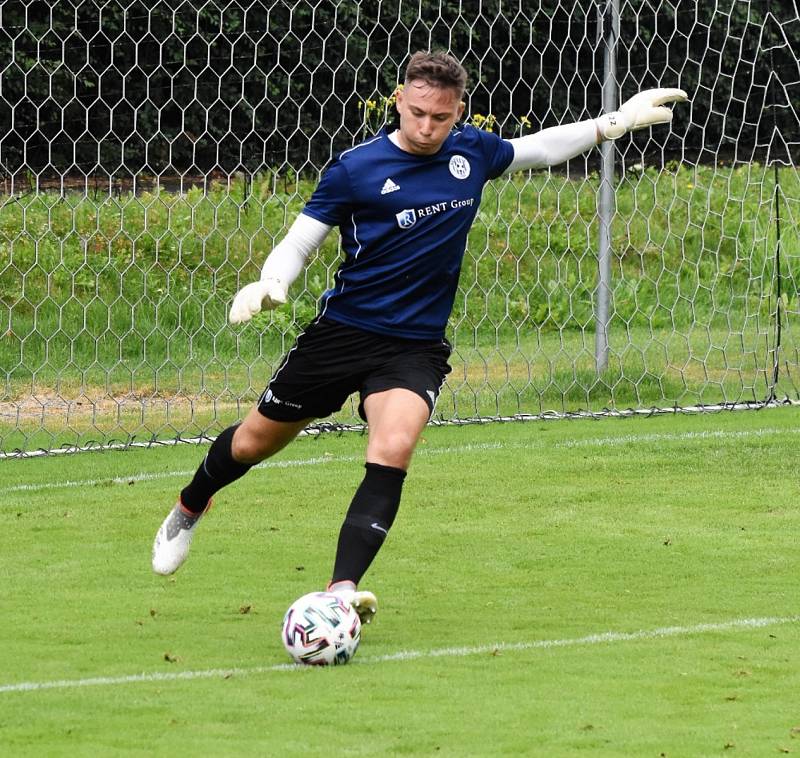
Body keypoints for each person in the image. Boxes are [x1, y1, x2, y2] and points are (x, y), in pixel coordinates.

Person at [152, 51, 686, 623]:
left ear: (460, 112)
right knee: (252, 444)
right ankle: (190, 503)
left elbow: (542, 147)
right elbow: (302, 240)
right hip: (343, 334)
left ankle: (339, 593)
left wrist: (616, 122)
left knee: (393, 448)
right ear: (400, 101)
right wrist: (270, 281)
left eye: (441, 117)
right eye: (417, 113)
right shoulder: (356, 168)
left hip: (414, 346)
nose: (428, 127)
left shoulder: (472, 152)